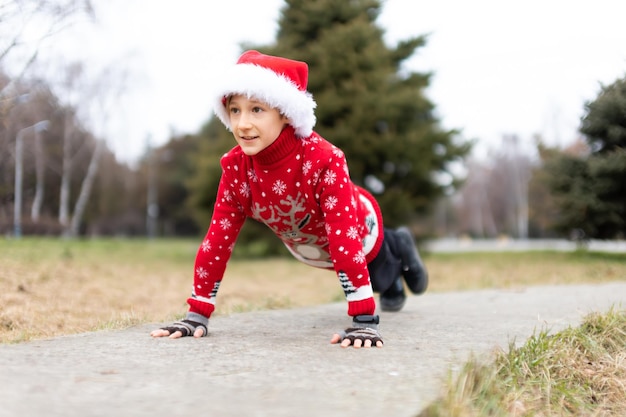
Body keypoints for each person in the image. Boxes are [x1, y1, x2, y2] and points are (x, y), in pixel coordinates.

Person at [150, 50, 428, 348]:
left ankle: (398, 245)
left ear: (284, 112)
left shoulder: (323, 159)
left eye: (256, 109)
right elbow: (218, 240)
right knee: (379, 281)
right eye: (235, 110)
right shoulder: (236, 169)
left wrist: (363, 321)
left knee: (379, 271)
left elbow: (345, 240)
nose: (242, 124)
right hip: (312, 245)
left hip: (355, 230)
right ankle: (392, 282)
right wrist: (197, 314)